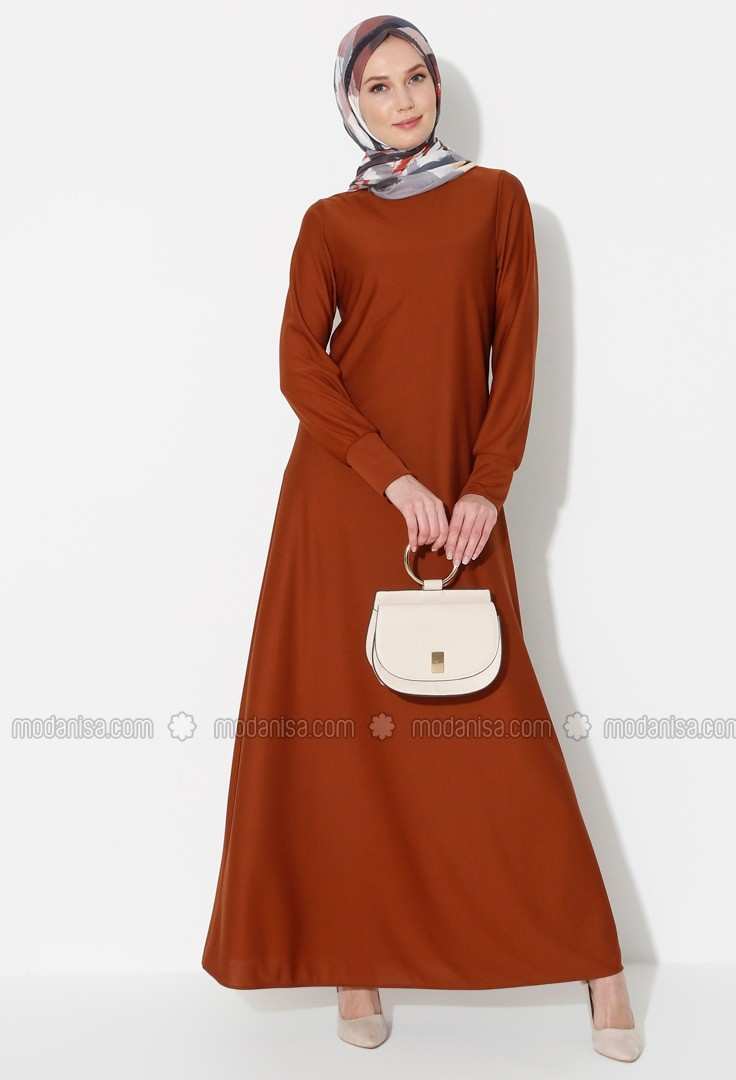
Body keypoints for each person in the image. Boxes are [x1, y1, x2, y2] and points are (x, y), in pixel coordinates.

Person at [201, 14, 643, 1062]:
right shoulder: (329, 223)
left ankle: (600, 967)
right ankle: (353, 968)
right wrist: (389, 477)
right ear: (350, 104)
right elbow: (300, 362)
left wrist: (484, 488)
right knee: (344, 747)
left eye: (414, 79)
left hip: (457, 510)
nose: (400, 101)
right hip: (344, 506)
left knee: (500, 735)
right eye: (377, 87)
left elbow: (516, 357)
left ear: (436, 85)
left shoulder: (497, 203)